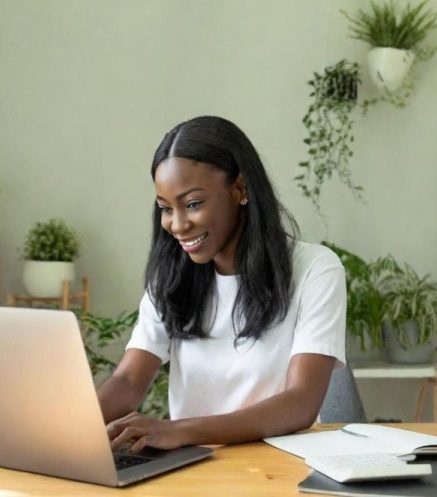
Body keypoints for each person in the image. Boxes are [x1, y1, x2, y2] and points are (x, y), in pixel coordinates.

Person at [97, 116, 346, 453]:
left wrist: (177, 431)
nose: (178, 225)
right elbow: (128, 380)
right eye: (166, 208)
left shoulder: (315, 269)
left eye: (193, 204)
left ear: (240, 189)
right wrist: (68, 429)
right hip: (194, 467)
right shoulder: (171, 278)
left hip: (278, 465)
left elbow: (300, 402)